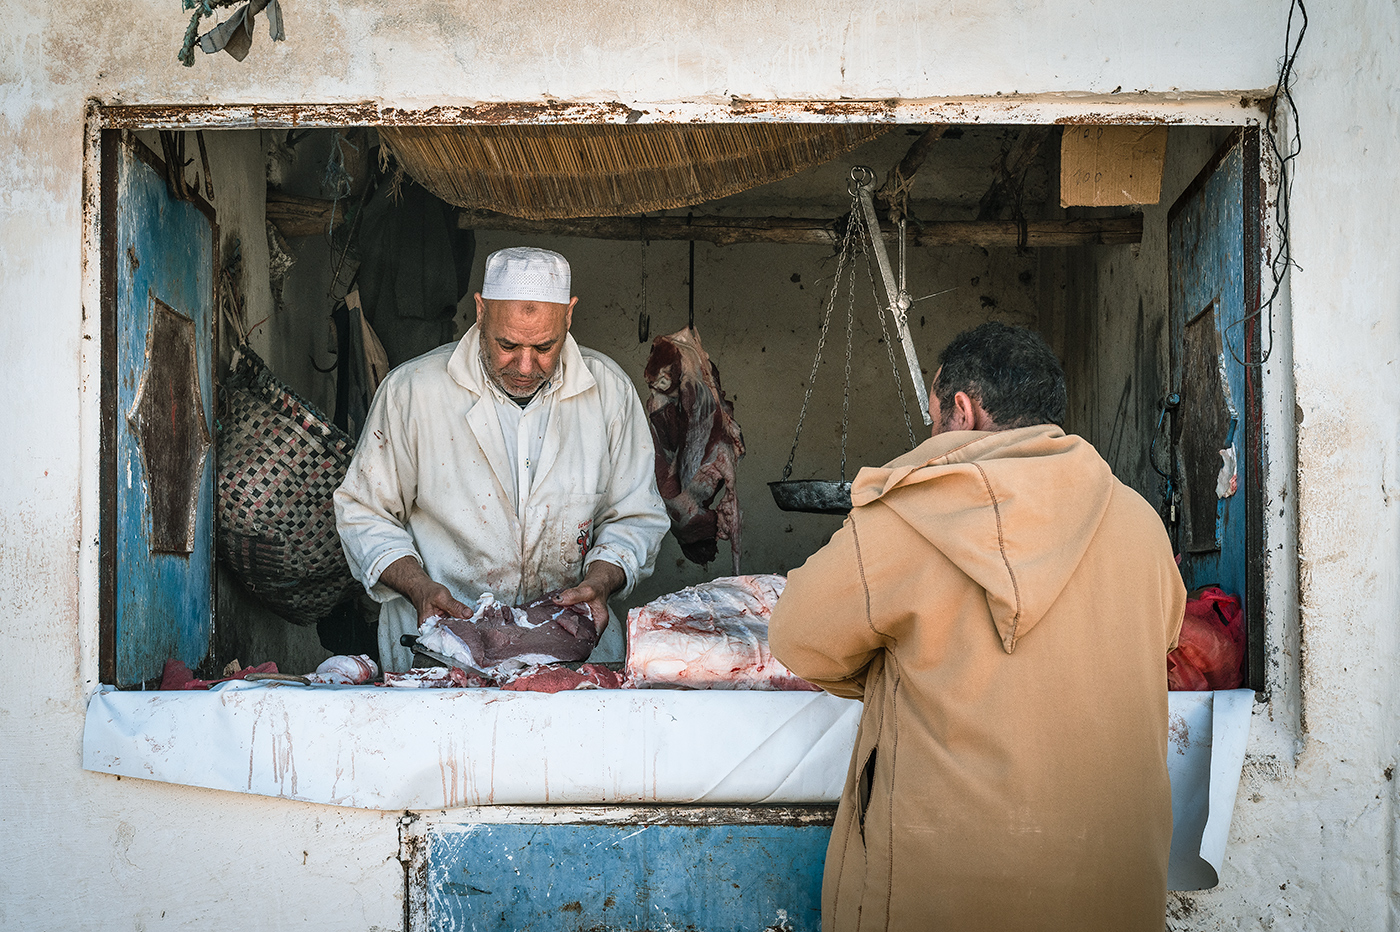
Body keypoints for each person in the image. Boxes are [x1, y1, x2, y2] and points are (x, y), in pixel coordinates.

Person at [768, 321, 1185, 932]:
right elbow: (1160, 639)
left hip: (947, 893)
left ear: (961, 410)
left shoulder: (905, 518)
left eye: (932, 412)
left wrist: (896, 668)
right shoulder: (1142, 525)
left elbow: (797, 637)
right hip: (1114, 892)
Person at [335, 247, 669, 672]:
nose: (526, 365)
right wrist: (419, 588)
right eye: (507, 344)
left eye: (545, 347)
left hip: (573, 655)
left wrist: (600, 582)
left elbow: (636, 516)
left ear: (569, 316)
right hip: (440, 651)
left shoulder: (610, 393)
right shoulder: (414, 391)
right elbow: (363, 510)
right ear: (480, 311)